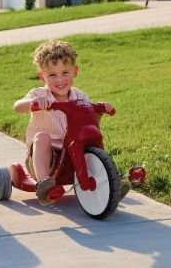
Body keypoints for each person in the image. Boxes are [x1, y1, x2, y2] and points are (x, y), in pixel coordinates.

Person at [13, 39, 129, 206]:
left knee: (91, 140)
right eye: (52, 75)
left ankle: (109, 183)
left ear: (75, 71)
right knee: (42, 137)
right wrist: (33, 103)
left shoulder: (80, 97)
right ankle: (44, 185)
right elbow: (17, 107)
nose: (60, 79)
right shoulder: (39, 94)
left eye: (65, 72)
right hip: (46, 158)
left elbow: (90, 122)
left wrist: (99, 110)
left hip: (73, 152)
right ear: (42, 76)